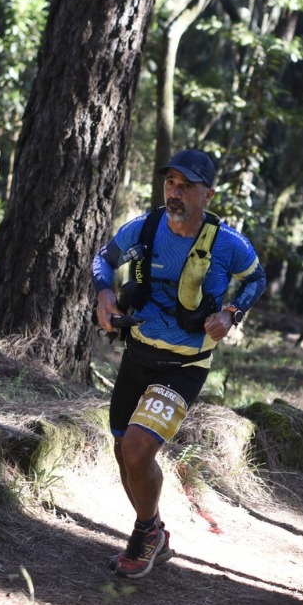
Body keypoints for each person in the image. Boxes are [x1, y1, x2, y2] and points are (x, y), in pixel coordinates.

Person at [91, 149, 266, 577]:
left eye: (186, 186)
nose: (175, 192)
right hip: (138, 355)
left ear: (207, 194)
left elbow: (257, 278)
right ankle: (155, 532)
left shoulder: (228, 243)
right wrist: (104, 293)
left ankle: (144, 536)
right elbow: (103, 258)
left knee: (137, 448)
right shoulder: (145, 227)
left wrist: (231, 313)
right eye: (171, 183)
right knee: (122, 450)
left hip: (184, 366)